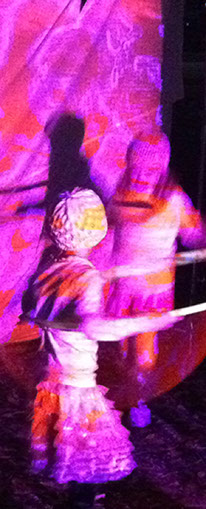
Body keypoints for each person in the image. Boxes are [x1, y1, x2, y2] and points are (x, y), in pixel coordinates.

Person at [23, 187, 179, 508]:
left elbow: (82, 284)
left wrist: (141, 268)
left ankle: (84, 498)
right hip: (78, 390)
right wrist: (148, 322)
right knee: (87, 460)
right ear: (98, 231)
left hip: (51, 385)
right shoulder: (87, 278)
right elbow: (94, 326)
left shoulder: (48, 270)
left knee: (72, 454)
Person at [106, 131, 204, 426]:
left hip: (153, 289)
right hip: (123, 285)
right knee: (124, 348)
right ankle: (130, 386)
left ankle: (138, 400)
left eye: (149, 169)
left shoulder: (173, 199)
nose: (140, 174)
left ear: (161, 167)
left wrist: (199, 237)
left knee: (144, 351)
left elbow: (194, 234)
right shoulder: (122, 193)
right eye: (135, 166)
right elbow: (108, 227)